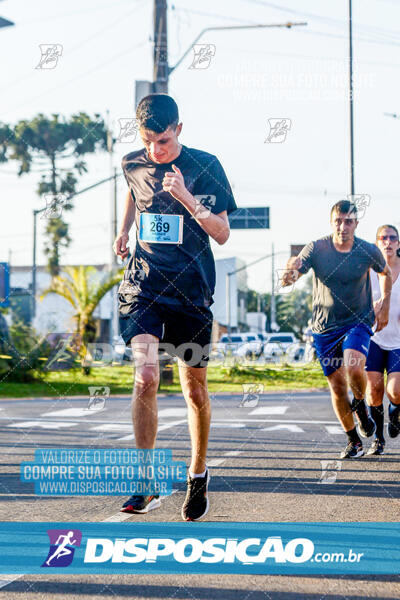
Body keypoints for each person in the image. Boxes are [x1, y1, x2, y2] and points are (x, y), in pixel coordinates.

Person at [113, 94, 237, 520]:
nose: (155, 151)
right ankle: (145, 483)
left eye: (163, 141)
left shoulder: (207, 166)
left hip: (190, 294)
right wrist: (123, 230)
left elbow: (221, 233)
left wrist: (186, 197)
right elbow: (134, 192)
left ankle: (197, 474)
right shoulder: (133, 162)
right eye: (148, 141)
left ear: (179, 130)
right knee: (146, 377)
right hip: (144, 286)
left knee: (193, 390)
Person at [281, 200, 392, 458]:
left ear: (356, 223)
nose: (343, 226)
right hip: (323, 328)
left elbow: (385, 272)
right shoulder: (317, 248)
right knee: (337, 386)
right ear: (331, 222)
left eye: (348, 221)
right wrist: (289, 272)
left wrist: (384, 302)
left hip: (358, 321)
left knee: (354, 365)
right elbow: (292, 276)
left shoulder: (367, 250)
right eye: (338, 221)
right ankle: (353, 440)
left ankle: (360, 404)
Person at [365, 225, 400, 455]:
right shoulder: (367, 271)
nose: (388, 242)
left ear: (398, 243)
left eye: (392, 238)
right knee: (373, 392)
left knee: (395, 391)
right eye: (383, 238)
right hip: (374, 339)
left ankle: (395, 412)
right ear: (377, 242)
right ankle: (378, 438)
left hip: (399, 341)